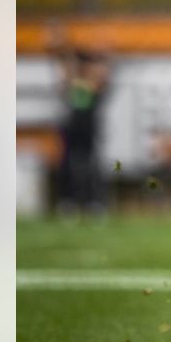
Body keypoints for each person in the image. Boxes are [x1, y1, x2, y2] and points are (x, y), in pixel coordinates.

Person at [49, 30, 111, 217]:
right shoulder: (72, 82)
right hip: (71, 126)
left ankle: (95, 202)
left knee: (92, 165)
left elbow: (98, 83)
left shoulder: (92, 83)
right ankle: (68, 201)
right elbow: (65, 85)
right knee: (68, 164)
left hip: (89, 126)